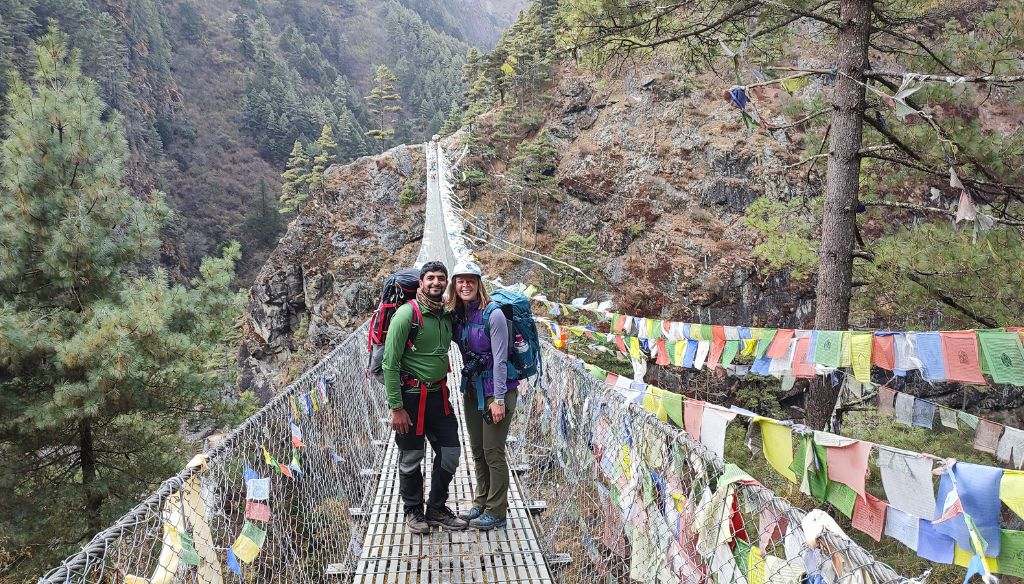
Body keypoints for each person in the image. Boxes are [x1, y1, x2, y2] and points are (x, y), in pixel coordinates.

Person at [382, 261, 468, 534]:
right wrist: (396, 407)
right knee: (411, 457)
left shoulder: (445, 314)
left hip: (438, 396)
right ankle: (413, 511)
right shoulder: (407, 315)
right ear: (420, 283)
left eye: (441, 278)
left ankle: (436, 508)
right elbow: (389, 363)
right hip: (409, 399)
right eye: (430, 278)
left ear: (447, 284)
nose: (436, 282)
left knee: (451, 453)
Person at [447, 261, 517, 530]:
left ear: (479, 284)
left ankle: (497, 512)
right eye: (460, 281)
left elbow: (500, 360)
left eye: (471, 281)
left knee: (493, 452)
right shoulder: (459, 315)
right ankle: (481, 502)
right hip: (472, 389)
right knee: (477, 449)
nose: (465, 285)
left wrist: (498, 400)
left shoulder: (494, 315)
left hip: (496, 392)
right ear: (455, 285)